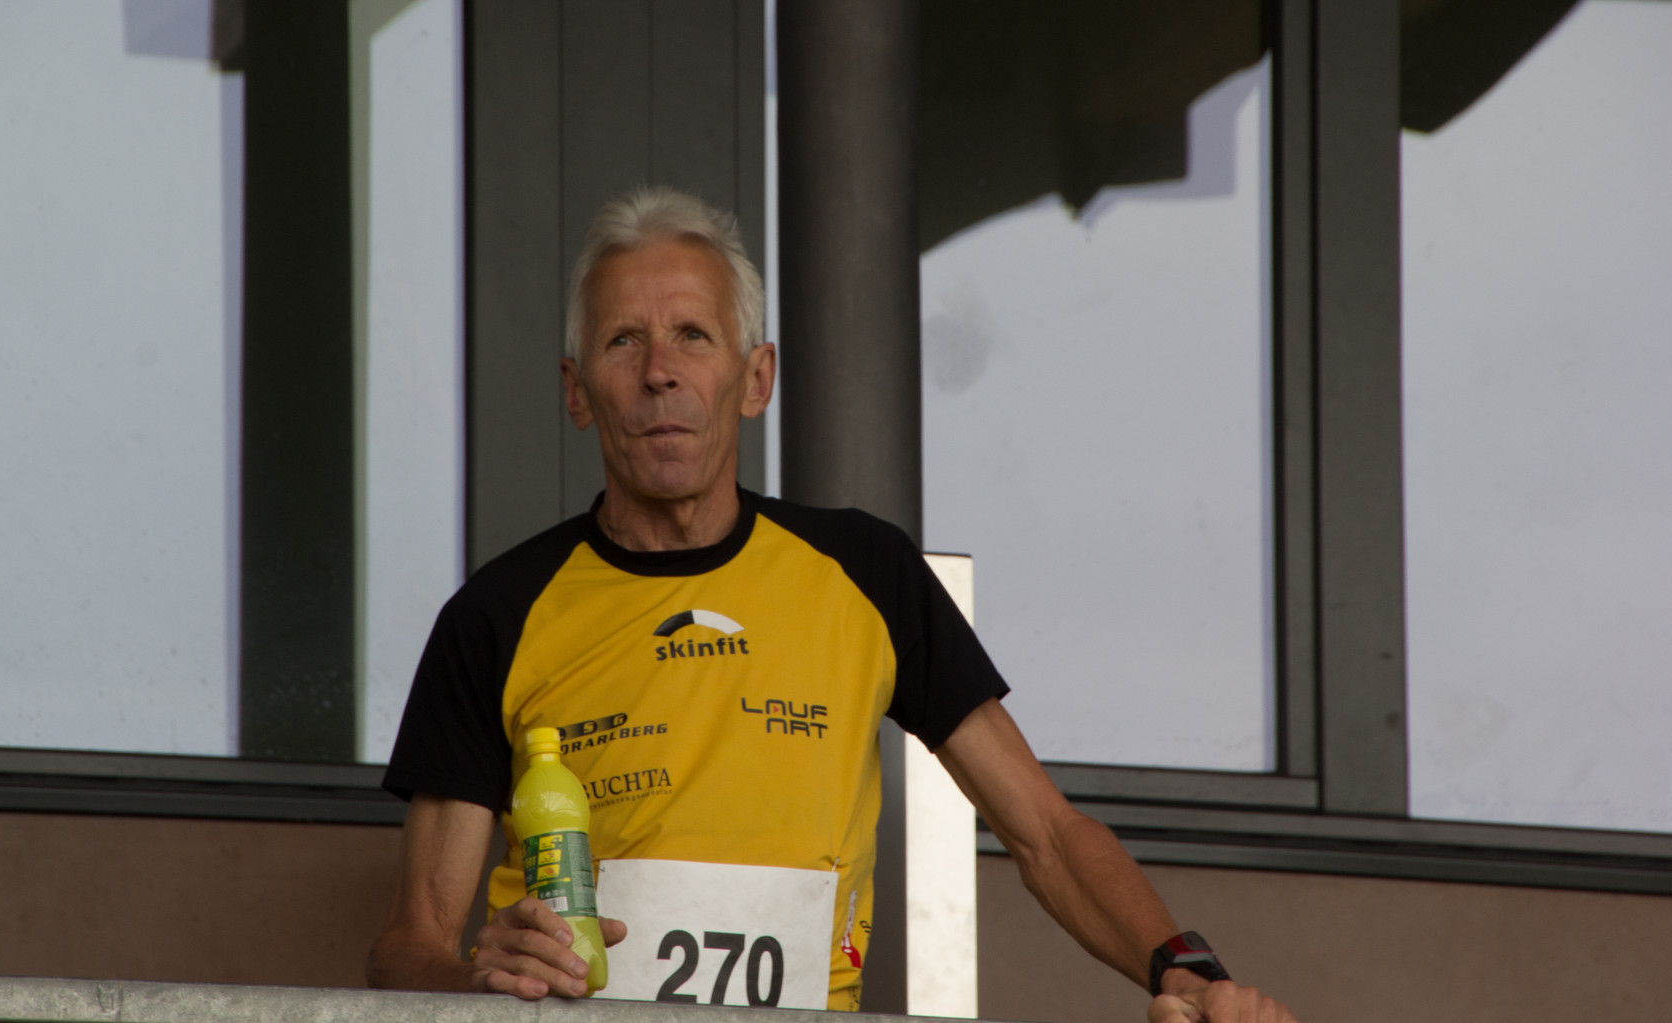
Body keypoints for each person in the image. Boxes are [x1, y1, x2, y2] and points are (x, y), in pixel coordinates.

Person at [367, 186, 1297, 1023]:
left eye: (694, 335)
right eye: (622, 341)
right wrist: (484, 984)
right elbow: (410, 946)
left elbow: (1047, 833)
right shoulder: (496, 614)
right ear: (577, 392)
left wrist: (1185, 971)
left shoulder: (864, 570)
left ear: (756, 378)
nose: (659, 371)